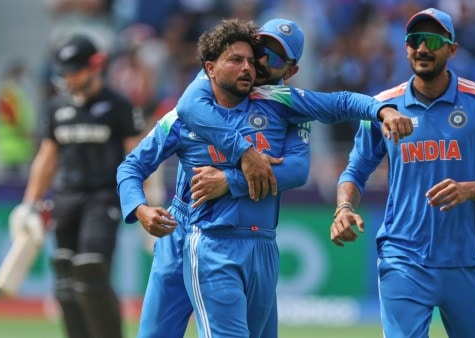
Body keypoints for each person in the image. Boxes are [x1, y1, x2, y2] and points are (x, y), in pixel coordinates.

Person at [117, 19, 412, 338]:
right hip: (188, 230)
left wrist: (230, 180)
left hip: (254, 238)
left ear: (290, 70)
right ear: (212, 67)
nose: (254, 64)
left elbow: (299, 167)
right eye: (256, 51)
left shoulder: (285, 105)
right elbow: (133, 164)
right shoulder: (187, 109)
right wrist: (140, 208)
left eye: (270, 58)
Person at [330, 8, 475, 338]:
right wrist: (344, 207)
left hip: (468, 260)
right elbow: (355, 171)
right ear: (406, 48)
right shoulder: (382, 106)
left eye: (433, 40)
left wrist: (470, 190)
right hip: (404, 259)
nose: (422, 48)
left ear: (452, 49)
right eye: (415, 40)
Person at [9, 34, 144, 338]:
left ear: (95, 67)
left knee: (91, 269)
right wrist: (29, 203)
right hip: (66, 198)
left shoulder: (118, 106)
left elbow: (138, 155)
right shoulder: (56, 107)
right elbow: (47, 156)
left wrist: (147, 201)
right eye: (65, 72)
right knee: (65, 279)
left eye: (76, 71)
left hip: (104, 198)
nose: (69, 78)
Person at [0, 59, 38, 180]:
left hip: (19, 149)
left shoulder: (14, 93)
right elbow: (12, 120)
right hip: (12, 150)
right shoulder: (8, 94)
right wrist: (30, 136)